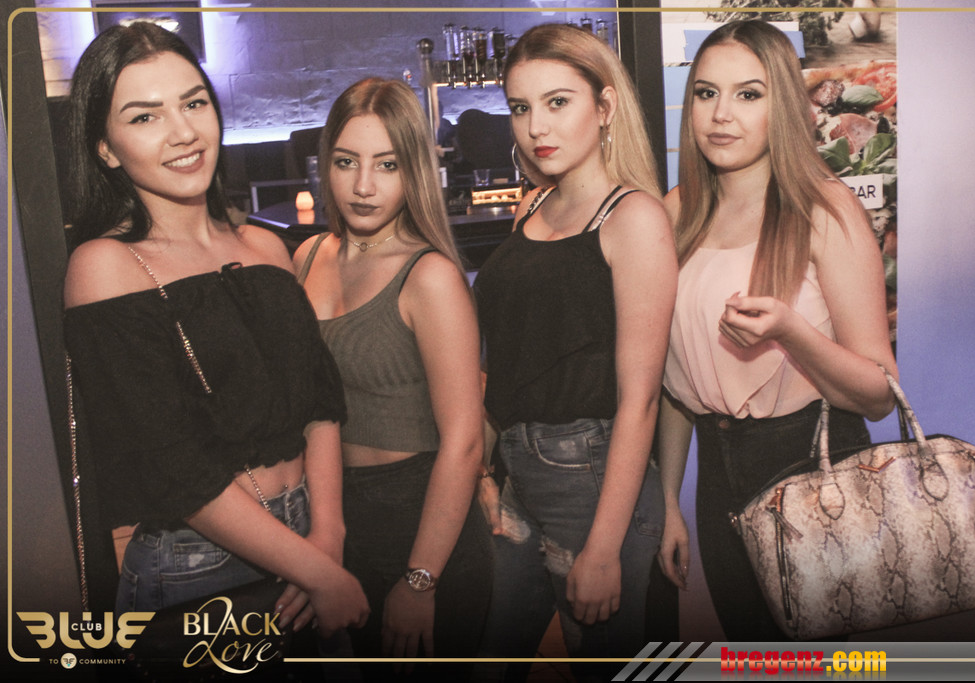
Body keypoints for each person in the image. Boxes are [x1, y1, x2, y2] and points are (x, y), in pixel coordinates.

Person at [62, 22, 369, 640]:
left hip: (313, 534)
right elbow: (172, 464)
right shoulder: (104, 266)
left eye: (194, 103)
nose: (183, 132)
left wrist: (328, 537)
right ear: (106, 149)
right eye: (145, 117)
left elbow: (319, 403)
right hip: (197, 565)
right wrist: (317, 569)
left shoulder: (265, 247)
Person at [658, 20, 898, 642]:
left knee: (825, 666)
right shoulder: (676, 211)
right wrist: (667, 503)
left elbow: (879, 395)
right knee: (757, 658)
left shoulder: (824, 208)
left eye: (749, 94)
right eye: (706, 93)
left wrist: (792, 331)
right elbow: (673, 383)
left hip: (811, 464)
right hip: (717, 473)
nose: (721, 114)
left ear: (784, 104)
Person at [473, 23, 677, 676]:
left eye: (558, 102)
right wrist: (484, 472)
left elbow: (641, 399)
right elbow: (508, 362)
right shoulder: (533, 207)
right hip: (519, 473)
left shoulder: (633, 218)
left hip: (592, 479)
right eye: (521, 106)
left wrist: (603, 548)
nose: (536, 126)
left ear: (605, 105)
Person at [293, 78, 492, 679]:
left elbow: (464, 442)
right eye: (345, 162)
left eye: (387, 164)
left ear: (414, 171)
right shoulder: (307, 257)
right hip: (336, 514)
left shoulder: (428, 275)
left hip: (421, 519)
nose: (363, 185)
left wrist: (420, 578)